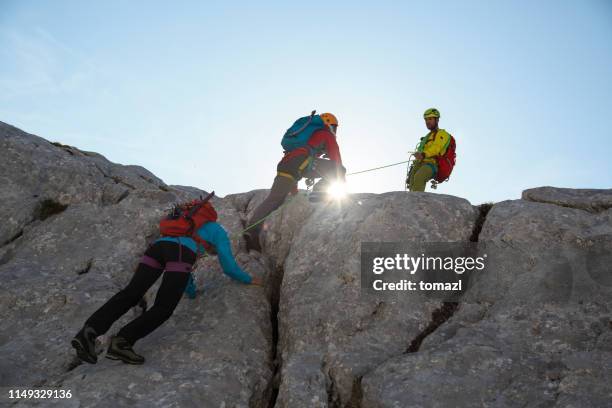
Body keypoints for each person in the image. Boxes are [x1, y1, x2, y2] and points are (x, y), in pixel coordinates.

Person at [71, 206, 262, 365]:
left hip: (157, 248)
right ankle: (123, 341)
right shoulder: (219, 231)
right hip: (179, 252)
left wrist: (192, 292)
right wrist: (248, 279)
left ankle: (88, 332)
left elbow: (184, 274)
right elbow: (228, 266)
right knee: (164, 307)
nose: (207, 254)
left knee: (131, 293)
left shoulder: (187, 228)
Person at [244, 111, 346, 252]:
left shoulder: (303, 141)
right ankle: (319, 192)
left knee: (274, 200)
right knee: (340, 169)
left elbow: (294, 171)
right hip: (301, 163)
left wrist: (294, 192)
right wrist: (341, 177)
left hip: (286, 165)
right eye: (334, 127)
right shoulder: (325, 134)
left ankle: (252, 232)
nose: (334, 131)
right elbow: (335, 157)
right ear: (328, 124)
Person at [407, 108, 452, 192]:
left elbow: (437, 147)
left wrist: (424, 154)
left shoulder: (443, 134)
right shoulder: (426, 137)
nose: (427, 122)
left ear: (437, 120)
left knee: (419, 177)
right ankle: (411, 202)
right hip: (419, 163)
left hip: (432, 164)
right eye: (426, 120)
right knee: (411, 182)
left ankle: (416, 202)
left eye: (430, 119)